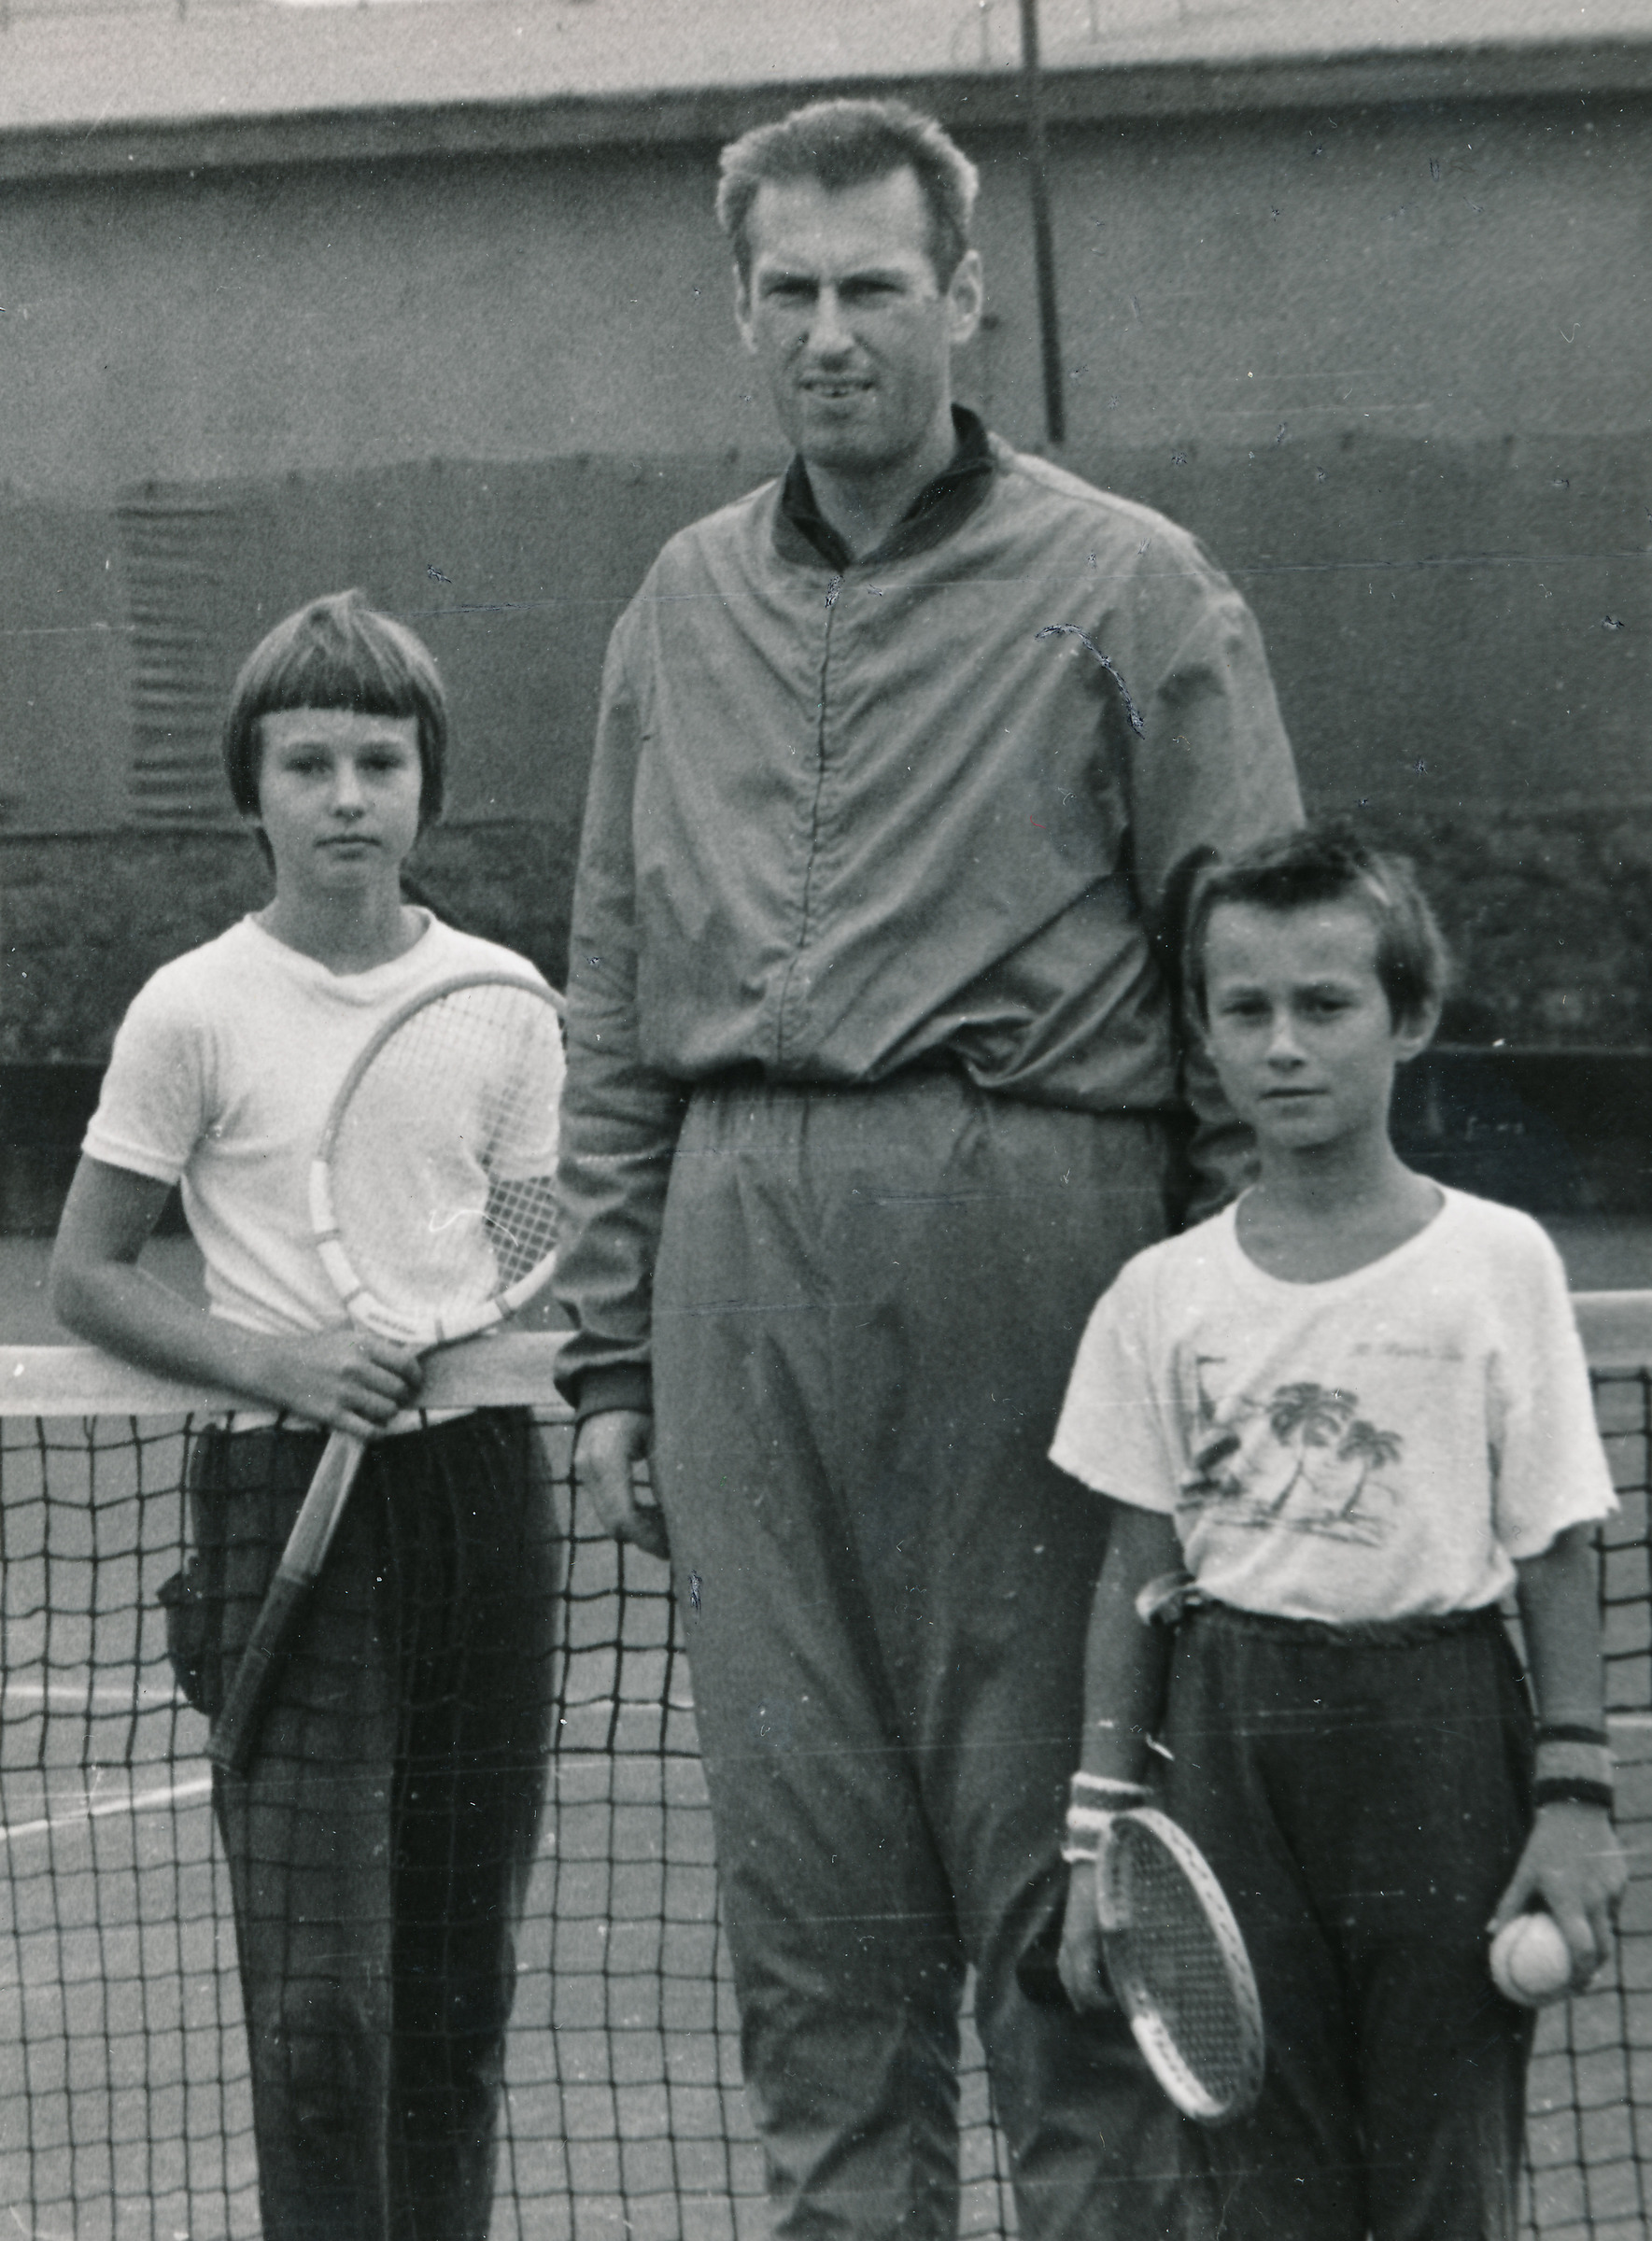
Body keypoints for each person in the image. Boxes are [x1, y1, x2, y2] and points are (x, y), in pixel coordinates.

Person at [553, 96, 1300, 2240]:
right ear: (740, 312)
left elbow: (1255, 976)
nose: (831, 333)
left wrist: (1229, 1333)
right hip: (735, 1300)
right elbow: (614, 992)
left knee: (1070, 1914)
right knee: (814, 1941)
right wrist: (609, 1355)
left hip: (1044, 1294)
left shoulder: (1133, 586)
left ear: (963, 297)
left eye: (874, 286)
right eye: (788, 292)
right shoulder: (674, 604)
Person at [49, 590, 562, 2241]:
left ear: (426, 787)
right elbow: (87, 1275)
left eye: (380, 763)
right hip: (283, 1506)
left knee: (456, 1991)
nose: (347, 797)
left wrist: (471, 1329)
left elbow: (525, 1240)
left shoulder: (503, 999)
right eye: (308, 764)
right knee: (321, 2014)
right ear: (251, 791)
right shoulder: (193, 1007)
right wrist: (282, 1366)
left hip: (480, 1502)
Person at [1051, 825, 1627, 2241]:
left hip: (1441, 1738)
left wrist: (1573, 1803)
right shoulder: (1158, 1295)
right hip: (1230, 1746)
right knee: (1266, 2189)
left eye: (1325, 1004)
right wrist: (1094, 1848)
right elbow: (1133, 1577)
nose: (1284, 1046)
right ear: (1204, 1035)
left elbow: (1557, 1548)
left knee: (1443, 2183)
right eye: (1243, 1009)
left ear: (1409, 1018)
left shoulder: (1497, 1263)